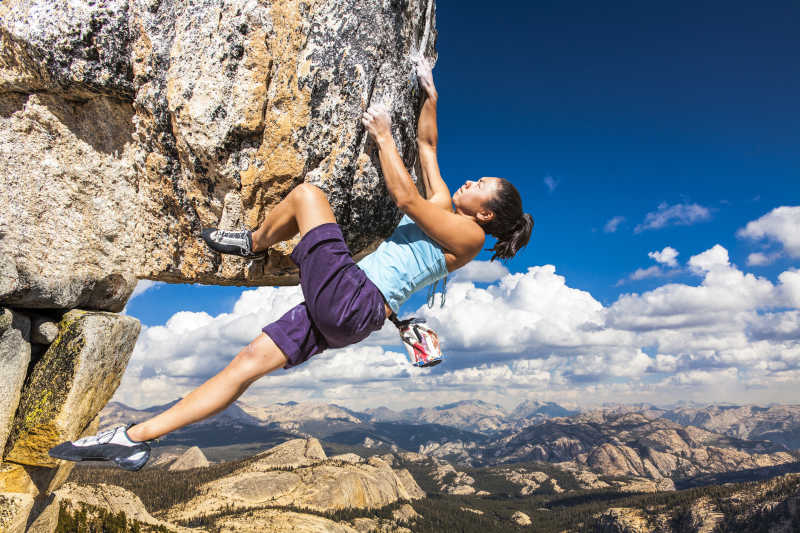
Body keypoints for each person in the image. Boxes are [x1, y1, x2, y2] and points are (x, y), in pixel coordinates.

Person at [48, 56, 533, 471]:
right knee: (245, 366)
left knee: (308, 195)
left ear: (486, 214)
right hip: (352, 316)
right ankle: (133, 440)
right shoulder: (448, 208)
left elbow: (405, 198)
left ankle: (254, 242)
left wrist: (383, 135)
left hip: (353, 297)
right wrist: (430, 93)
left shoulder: (467, 237)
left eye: (480, 185)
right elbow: (428, 147)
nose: (468, 181)